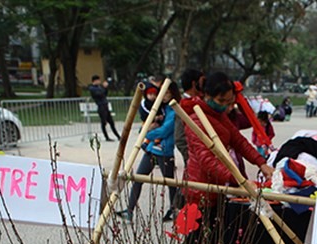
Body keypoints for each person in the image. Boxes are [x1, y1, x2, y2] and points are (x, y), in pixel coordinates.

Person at [181, 72, 275, 208]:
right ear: (207, 95)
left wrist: (261, 163)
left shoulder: (220, 116)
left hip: (219, 186)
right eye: (221, 101)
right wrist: (238, 180)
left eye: (229, 102)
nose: (225, 106)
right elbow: (207, 160)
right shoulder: (196, 120)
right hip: (200, 190)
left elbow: (239, 141)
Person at [116, 84, 181, 222]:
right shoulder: (160, 108)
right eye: (162, 93)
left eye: (167, 93)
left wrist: (146, 132)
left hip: (165, 152)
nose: (163, 96)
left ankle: (174, 209)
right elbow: (147, 124)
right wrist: (146, 131)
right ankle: (129, 210)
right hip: (152, 150)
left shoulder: (173, 111)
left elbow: (164, 131)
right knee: (138, 179)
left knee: (169, 182)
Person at [88, 75, 121, 141]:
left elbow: (104, 94)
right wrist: (104, 87)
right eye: (98, 80)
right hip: (101, 106)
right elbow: (99, 94)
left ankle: (118, 136)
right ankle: (107, 137)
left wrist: (105, 88)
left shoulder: (99, 87)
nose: (99, 82)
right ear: (95, 81)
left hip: (105, 106)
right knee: (104, 122)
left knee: (111, 122)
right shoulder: (92, 88)